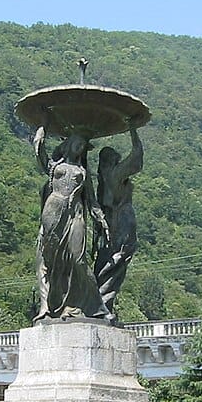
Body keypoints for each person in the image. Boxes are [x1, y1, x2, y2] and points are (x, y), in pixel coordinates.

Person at [32, 120, 111, 322]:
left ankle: (94, 306)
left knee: (78, 259)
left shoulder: (83, 172)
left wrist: (101, 219)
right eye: (78, 143)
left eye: (83, 146)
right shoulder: (54, 166)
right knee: (52, 259)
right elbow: (39, 152)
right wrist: (42, 127)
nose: (80, 147)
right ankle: (55, 305)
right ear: (69, 143)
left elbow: (92, 200)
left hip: (74, 214)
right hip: (53, 209)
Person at [94, 124, 143, 316]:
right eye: (117, 159)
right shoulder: (114, 175)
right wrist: (133, 130)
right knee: (116, 261)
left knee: (108, 260)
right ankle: (102, 303)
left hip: (110, 224)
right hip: (121, 222)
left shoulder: (102, 181)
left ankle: (99, 302)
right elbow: (137, 158)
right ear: (111, 162)